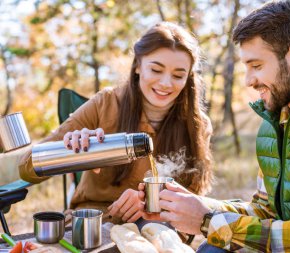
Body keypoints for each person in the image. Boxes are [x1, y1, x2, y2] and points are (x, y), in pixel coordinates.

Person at [139, 1, 290, 252]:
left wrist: (206, 221)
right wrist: (192, 205)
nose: (248, 80)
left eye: (256, 66)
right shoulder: (275, 119)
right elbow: (264, 212)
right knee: (213, 248)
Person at [19, 22, 213, 225]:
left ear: (188, 77)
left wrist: (149, 204)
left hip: (158, 228)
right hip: (93, 224)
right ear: (138, 66)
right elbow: (26, 167)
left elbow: (192, 203)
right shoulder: (105, 104)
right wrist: (68, 151)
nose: (166, 83)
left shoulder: (198, 125)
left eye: (178, 75)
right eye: (156, 70)